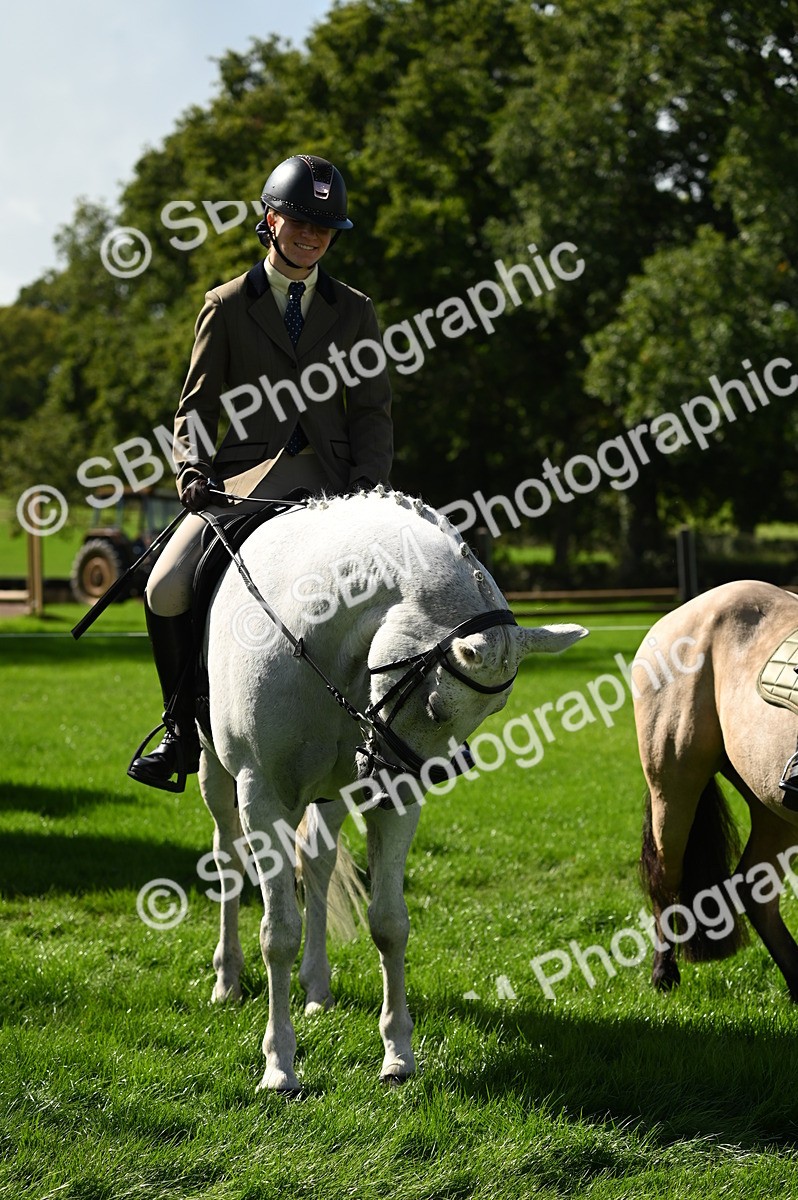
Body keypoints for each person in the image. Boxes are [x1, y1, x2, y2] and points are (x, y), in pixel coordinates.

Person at [128, 154, 393, 791]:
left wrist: (371, 485)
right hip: (245, 480)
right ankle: (180, 730)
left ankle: (396, 737)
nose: (313, 236)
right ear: (270, 219)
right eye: (301, 221)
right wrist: (192, 469)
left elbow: (373, 410)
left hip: (337, 486)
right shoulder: (224, 306)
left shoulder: (355, 311)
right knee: (164, 587)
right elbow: (194, 408)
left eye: (326, 228)